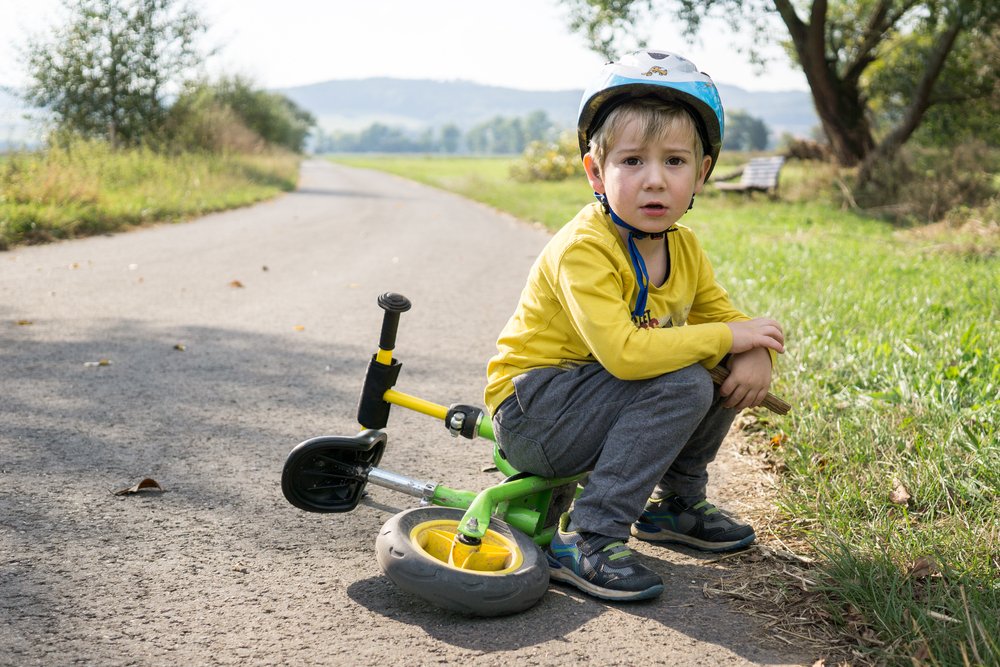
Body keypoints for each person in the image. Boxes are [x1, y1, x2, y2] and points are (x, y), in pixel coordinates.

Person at [483, 49, 786, 602]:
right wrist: (727, 339)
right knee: (687, 375)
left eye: (674, 161)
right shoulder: (584, 248)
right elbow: (624, 354)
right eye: (631, 162)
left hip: (588, 403)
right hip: (534, 414)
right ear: (596, 172)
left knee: (713, 365)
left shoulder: (684, 247)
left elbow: (722, 319)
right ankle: (589, 536)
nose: (654, 181)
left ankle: (678, 503)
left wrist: (753, 353)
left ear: (703, 173)